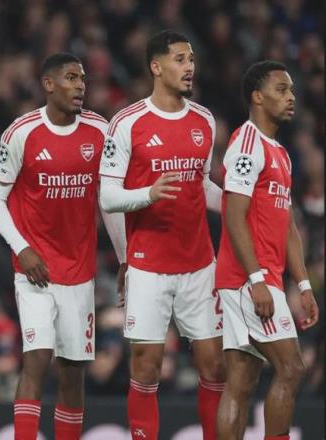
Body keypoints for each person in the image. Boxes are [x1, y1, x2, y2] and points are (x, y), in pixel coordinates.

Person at [0, 53, 126, 440]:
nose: (81, 85)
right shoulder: (21, 133)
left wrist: (124, 257)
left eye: (82, 78)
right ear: (49, 84)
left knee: (72, 372)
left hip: (79, 272)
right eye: (71, 78)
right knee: (36, 359)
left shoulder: (100, 131)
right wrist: (22, 248)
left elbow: (108, 200)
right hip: (34, 270)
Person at [99, 30, 225, 440]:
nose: (189, 67)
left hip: (199, 263)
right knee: (146, 366)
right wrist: (147, 195)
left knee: (215, 366)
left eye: (192, 59)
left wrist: (239, 206)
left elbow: (201, 185)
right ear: (156, 66)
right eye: (179, 59)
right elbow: (107, 196)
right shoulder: (127, 123)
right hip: (149, 265)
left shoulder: (204, 120)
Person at [215, 61, 319, 440]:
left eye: (291, 90)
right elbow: (234, 216)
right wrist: (256, 279)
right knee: (291, 367)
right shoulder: (247, 144)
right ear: (257, 97)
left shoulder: (280, 153)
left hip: (263, 277)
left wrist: (304, 285)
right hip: (248, 279)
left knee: (242, 380)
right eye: (281, 89)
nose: (291, 97)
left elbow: (287, 225)